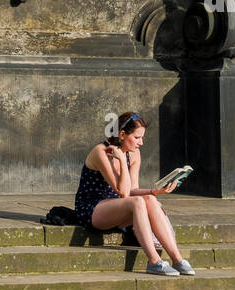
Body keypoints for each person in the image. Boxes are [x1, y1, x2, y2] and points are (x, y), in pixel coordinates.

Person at [74, 111, 195, 277]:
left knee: (149, 199)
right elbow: (124, 192)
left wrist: (155, 191)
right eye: (137, 138)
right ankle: (154, 261)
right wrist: (122, 161)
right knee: (137, 202)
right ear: (122, 134)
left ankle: (177, 259)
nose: (141, 143)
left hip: (118, 209)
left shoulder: (134, 153)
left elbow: (132, 189)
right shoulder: (101, 152)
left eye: (142, 138)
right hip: (92, 209)